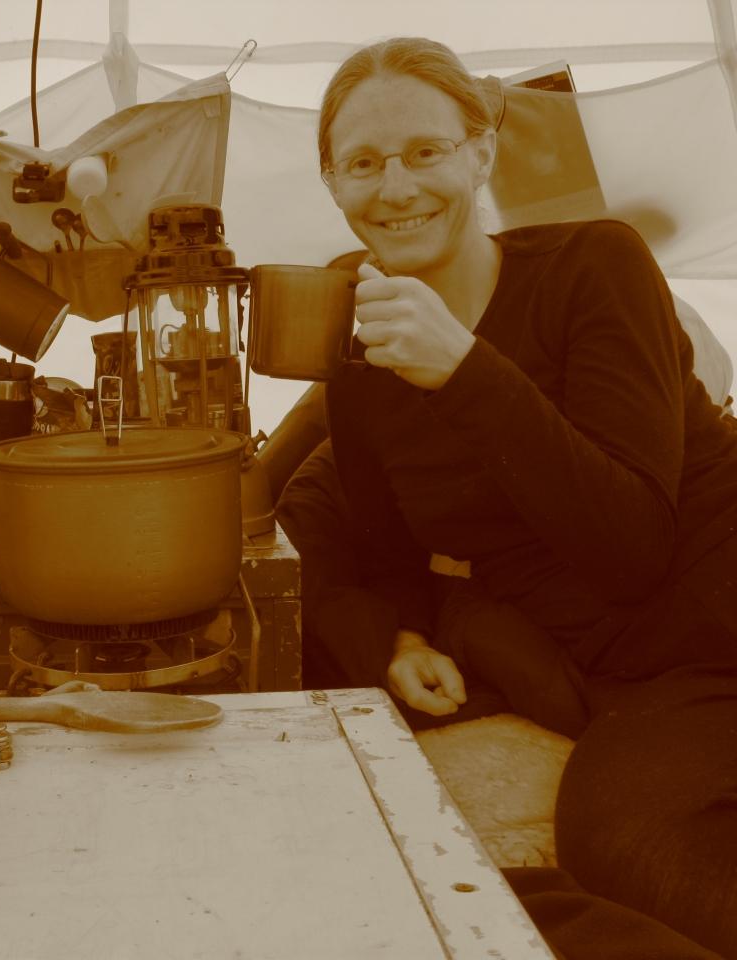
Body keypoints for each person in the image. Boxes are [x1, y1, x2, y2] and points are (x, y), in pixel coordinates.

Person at [279, 37, 737, 958]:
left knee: (620, 838)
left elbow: (633, 547)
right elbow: (385, 553)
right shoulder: (359, 340)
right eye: (362, 164)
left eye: (425, 152)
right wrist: (398, 638)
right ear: (331, 184)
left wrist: (462, 370)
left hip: (703, 626)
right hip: (583, 655)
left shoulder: (594, 267)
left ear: (481, 151)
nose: (396, 187)